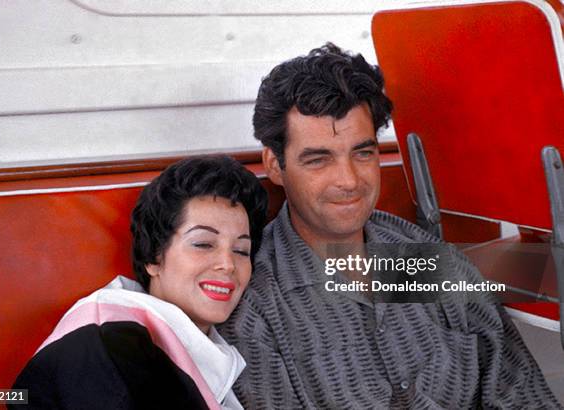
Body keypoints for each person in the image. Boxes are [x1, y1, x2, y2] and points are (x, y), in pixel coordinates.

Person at [217, 43, 560, 408]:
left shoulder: (426, 259)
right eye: (319, 160)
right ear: (274, 165)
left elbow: (522, 394)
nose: (349, 180)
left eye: (363, 153)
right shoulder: (256, 306)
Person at [11, 156, 268, 409]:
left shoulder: (208, 350)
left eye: (241, 250)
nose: (228, 264)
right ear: (153, 257)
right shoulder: (105, 338)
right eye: (203, 244)